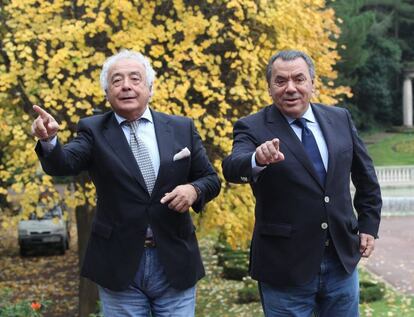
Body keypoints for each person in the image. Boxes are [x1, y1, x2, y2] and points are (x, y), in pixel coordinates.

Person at [31, 50, 221, 316]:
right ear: (107, 92)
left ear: (150, 88)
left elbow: (211, 179)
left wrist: (194, 189)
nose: (126, 86)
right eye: (117, 80)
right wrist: (49, 141)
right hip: (118, 262)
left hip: (174, 258)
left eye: (135, 78)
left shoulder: (181, 128)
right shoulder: (93, 130)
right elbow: (63, 163)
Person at [222, 50, 382, 317]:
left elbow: (366, 178)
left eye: (299, 79)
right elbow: (232, 166)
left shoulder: (339, 118)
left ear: (313, 83)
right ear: (270, 88)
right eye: (281, 81)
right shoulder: (252, 127)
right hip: (284, 266)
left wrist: (368, 225)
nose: (290, 88)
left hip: (341, 260)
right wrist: (256, 158)